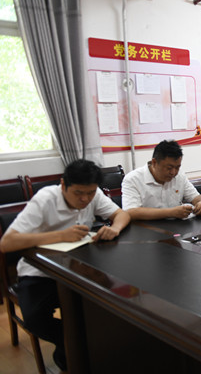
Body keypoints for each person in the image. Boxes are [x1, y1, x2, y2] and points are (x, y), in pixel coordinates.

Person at [0, 159, 131, 371]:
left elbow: (121, 214)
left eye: (90, 193)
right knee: (35, 319)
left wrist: (114, 228)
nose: (85, 199)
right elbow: (7, 243)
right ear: (63, 185)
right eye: (78, 193)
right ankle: (70, 349)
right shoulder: (45, 199)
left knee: (110, 304)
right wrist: (60, 235)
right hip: (40, 272)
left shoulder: (93, 194)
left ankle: (92, 350)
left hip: (79, 269)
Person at [121, 140, 201, 220]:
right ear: (154, 162)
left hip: (176, 228)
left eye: (177, 167)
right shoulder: (133, 179)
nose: (173, 172)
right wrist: (171, 212)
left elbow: (197, 198)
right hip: (146, 229)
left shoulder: (179, 176)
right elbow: (130, 212)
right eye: (169, 168)